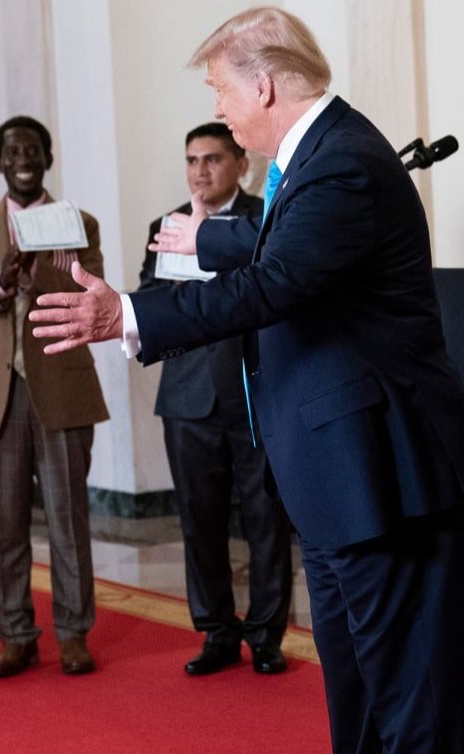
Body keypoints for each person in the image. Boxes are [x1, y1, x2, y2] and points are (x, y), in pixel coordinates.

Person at [30, 8, 464, 754]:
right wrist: (215, 237)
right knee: (362, 717)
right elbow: (280, 244)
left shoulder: (341, 165)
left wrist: (128, 313)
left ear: (263, 84)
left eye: (220, 91)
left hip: (387, 483)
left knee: (411, 726)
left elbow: (277, 283)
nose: (221, 111)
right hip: (343, 484)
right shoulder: (314, 159)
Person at [0, 115, 110, 678]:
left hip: (61, 384)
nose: (24, 159)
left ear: (48, 159)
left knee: (67, 518)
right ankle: (16, 634)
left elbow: (94, 296)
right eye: (12, 152)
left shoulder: (78, 223)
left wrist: (40, 278)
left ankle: (74, 633)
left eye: (33, 150)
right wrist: (1, 284)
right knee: (5, 523)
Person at [141, 122, 294, 677]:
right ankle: (215, 632)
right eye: (191, 160)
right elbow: (152, 301)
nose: (200, 171)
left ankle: (268, 635)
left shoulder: (267, 218)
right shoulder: (167, 225)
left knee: (265, 518)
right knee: (198, 521)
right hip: (187, 396)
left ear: (240, 164)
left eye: (212, 159)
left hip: (256, 390)